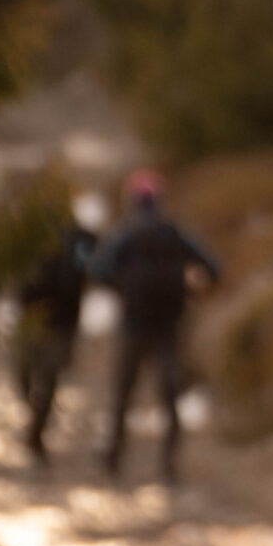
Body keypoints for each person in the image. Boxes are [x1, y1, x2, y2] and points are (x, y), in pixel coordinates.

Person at [90, 170, 222, 480]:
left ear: (132, 200)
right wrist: (188, 286)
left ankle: (113, 457)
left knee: (123, 392)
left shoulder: (124, 234)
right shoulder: (176, 233)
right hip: (169, 325)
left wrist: (124, 287)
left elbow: (98, 270)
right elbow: (214, 269)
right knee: (169, 395)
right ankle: (169, 465)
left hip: (133, 324)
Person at [14, 197, 100, 463]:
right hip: (51, 319)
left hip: (47, 319)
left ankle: (35, 429)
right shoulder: (80, 240)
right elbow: (90, 271)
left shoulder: (77, 239)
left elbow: (91, 269)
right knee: (39, 377)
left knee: (35, 374)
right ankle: (36, 425)